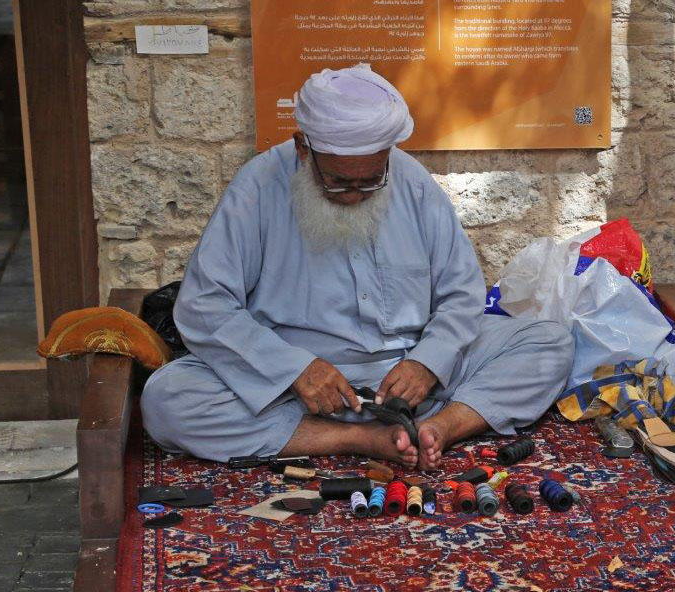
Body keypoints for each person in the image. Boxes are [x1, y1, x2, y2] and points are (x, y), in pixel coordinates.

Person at [141, 65, 574, 470]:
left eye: (371, 180)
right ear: (302, 148)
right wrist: (294, 369)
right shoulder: (257, 189)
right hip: (300, 389)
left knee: (549, 341)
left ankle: (441, 427)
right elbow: (204, 307)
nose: (355, 196)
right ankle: (359, 440)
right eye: (339, 182)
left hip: (412, 374)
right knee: (168, 398)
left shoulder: (412, 183)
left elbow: (462, 294)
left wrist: (428, 362)